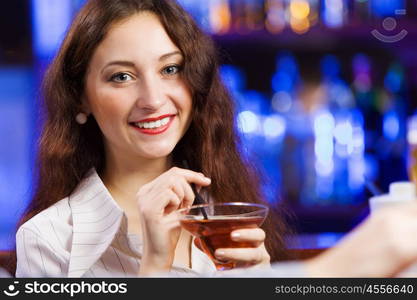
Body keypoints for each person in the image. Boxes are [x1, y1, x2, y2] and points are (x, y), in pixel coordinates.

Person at [15, 0, 417, 278]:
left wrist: (257, 282)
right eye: (122, 76)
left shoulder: (226, 212)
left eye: (171, 70)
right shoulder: (49, 239)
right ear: (80, 100)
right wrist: (154, 264)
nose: (154, 100)